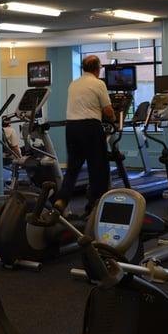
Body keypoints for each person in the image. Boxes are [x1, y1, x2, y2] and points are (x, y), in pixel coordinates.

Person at [53, 55, 115, 216]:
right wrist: (114, 117)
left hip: (72, 127)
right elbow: (108, 110)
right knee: (98, 167)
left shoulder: (74, 84)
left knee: (73, 167)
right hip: (90, 126)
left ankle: (62, 199)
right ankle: (94, 204)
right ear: (97, 68)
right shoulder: (98, 83)